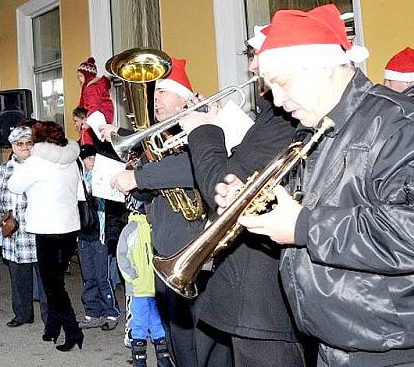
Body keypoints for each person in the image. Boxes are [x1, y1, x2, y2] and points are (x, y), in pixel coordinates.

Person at [226, 3, 414, 365]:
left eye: (282, 83)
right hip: (336, 341)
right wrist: (258, 208)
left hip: (393, 348)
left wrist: (304, 225)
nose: (276, 100)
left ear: (323, 68)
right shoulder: (318, 129)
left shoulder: (401, 124)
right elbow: (309, 216)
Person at [177, 29, 304, 366]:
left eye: (257, 58)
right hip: (248, 293)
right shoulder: (269, 116)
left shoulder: (283, 120)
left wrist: (202, 131)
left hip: (262, 302)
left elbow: (222, 186)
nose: (251, 69)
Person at [108, 58, 230, 367]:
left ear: (184, 98)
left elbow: (193, 168)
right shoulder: (158, 138)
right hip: (165, 253)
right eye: (153, 92)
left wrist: (139, 177)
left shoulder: (202, 127)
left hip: (197, 256)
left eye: (161, 91)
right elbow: (152, 187)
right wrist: (134, 180)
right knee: (178, 342)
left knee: (201, 345)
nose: (154, 99)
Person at [8, 121, 84, 352]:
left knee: (53, 286)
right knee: (56, 280)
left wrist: (22, 163)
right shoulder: (72, 160)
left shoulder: (35, 162)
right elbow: (80, 192)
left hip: (46, 231)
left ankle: (73, 330)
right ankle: (52, 327)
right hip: (70, 227)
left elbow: (14, 186)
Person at [0, 125, 49, 328]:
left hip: (41, 231)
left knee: (47, 280)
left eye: (28, 143)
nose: (24, 147)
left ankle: (51, 317)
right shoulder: (5, 170)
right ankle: (22, 314)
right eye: (19, 143)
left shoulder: (43, 167)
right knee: (18, 277)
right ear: (13, 147)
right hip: (15, 234)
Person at [117, 209, 172, 367]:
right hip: (138, 289)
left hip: (157, 288)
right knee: (138, 323)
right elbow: (122, 255)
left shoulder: (157, 225)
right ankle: (139, 360)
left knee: (158, 323)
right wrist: (132, 277)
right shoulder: (131, 228)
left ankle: (163, 357)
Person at [77, 144, 121, 332]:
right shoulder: (77, 181)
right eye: (87, 159)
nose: (91, 162)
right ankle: (93, 312)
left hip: (100, 235)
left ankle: (111, 312)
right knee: (88, 276)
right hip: (83, 235)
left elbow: (115, 209)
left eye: (94, 159)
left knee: (103, 277)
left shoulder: (105, 180)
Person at [77, 57, 115, 145]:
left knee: (89, 140)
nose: (79, 79)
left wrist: (87, 122)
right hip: (95, 119)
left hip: (95, 120)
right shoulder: (91, 86)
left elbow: (93, 106)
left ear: (88, 76)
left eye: (81, 76)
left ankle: (89, 155)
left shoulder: (93, 88)